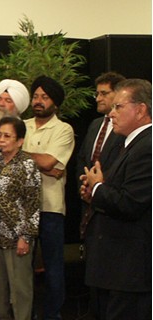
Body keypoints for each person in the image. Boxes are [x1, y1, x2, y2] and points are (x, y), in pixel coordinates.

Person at [80, 79, 152, 320]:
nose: (111, 114)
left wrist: (98, 187)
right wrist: (94, 193)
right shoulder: (129, 144)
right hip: (115, 267)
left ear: (141, 110)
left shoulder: (147, 147)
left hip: (129, 269)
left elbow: (131, 203)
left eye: (118, 107)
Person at [22, 75, 75, 320]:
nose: (39, 101)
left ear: (55, 102)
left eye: (45, 97)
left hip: (50, 208)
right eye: (36, 96)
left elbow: (51, 163)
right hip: (22, 209)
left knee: (53, 268)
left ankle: (52, 315)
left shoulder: (64, 129)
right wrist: (44, 163)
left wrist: (24, 156)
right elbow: (47, 166)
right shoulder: (22, 125)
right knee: (23, 268)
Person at [0, 116, 41, 320]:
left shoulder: (27, 165)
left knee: (20, 291)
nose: (1, 140)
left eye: (7, 136)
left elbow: (33, 203)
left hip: (16, 236)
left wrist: (26, 236)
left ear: (20, 140)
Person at [76, 72, 126, 241]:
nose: (98, 98)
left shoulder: (125, 129)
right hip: (89, 202)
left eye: (104, 94)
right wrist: (85, 186)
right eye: (96, 94)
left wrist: (99, 188)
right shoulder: (95, 124)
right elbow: (83, 158)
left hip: (112, 205)